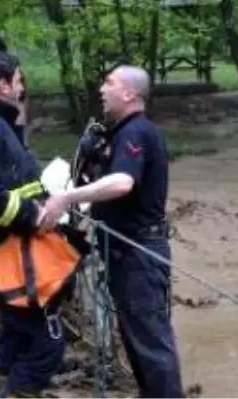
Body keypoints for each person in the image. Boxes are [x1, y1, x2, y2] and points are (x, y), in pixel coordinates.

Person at [37, 65, 184, 399]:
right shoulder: (119, 134)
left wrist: (67, 198)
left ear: (130, 93)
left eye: (109, 83)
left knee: (150, 340)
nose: (102, 89)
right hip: (124, 251)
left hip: (140, 252)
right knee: (135, 336)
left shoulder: (137, 133)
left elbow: (122, 183)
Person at [0, 52, 78, 399]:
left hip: (11, 253)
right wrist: (31, 215)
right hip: (9, 254)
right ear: (2, 85)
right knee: (45, 348)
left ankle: (0, 385)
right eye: (19, 80)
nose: (22, 88)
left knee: (18, 335)